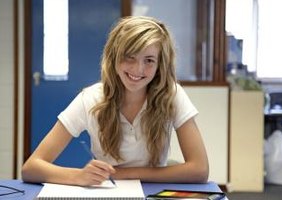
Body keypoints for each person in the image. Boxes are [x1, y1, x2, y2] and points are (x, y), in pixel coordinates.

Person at [22, 16, 209, 186]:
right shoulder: (90, 98)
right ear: (114, 57)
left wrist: (125, 173)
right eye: (130, 57)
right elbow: (31, 168)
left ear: (160, 65)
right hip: (109, 191)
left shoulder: (172, 95)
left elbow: (200, 169)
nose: (138, 69)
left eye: (149, 60)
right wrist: (78, 176)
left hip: (153, 191)